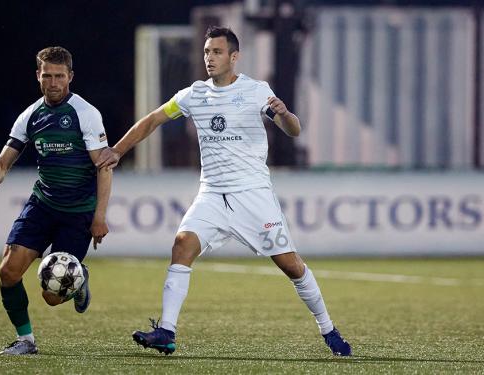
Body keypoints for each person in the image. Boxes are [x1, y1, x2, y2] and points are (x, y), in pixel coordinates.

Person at [96, 26, 351, 357]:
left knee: (291, 265)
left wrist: (286, 114)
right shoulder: (194, 94)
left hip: (253, 195)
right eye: (206, 52)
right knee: (182, 244)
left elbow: (293, 130)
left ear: (234, 56)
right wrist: (117, 150)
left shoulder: (257, 91)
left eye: (216, 52)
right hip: (212, 195)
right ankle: (167, 332)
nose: (209, 58)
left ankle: (328, 328)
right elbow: (153, 119)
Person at [0, 46, 112, 355]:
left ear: (70, 77)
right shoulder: (30, 116)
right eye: (47, 76)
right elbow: (2, 162)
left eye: (59, 76)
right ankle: (26, 341)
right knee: (8, 272)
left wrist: (99, 217)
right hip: (42, 204)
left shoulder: (86, 114)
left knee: (51, 297)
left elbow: (104, 168)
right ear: (38, 76)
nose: (53, 83)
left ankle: (79, 280)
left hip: (78, 212)